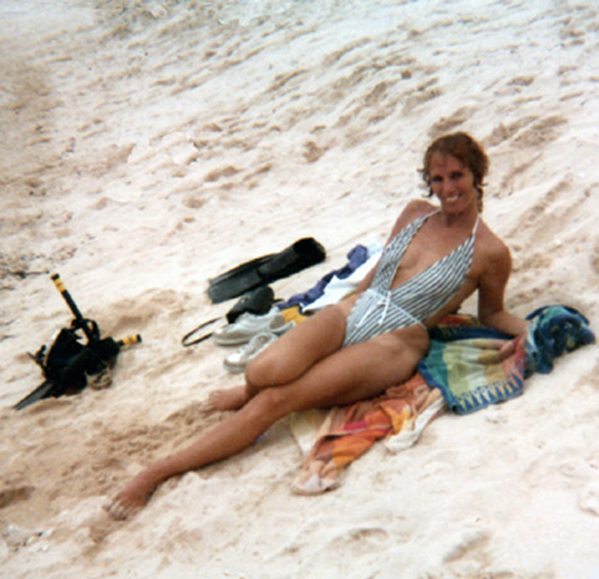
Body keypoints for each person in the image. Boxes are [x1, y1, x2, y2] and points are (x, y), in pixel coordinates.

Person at [106, 131, 528, 520]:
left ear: (478, 175)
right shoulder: (416, 214)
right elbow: (379, 269)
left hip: (396, 340)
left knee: (275, 401)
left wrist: (524, 328)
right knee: (261, 371)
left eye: (457, 176)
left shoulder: (490, 252)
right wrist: (345, 307)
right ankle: (245, 392)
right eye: (437, 178)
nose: (448, 188)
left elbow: (492, 313)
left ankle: (155, 474)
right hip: (356, 308)